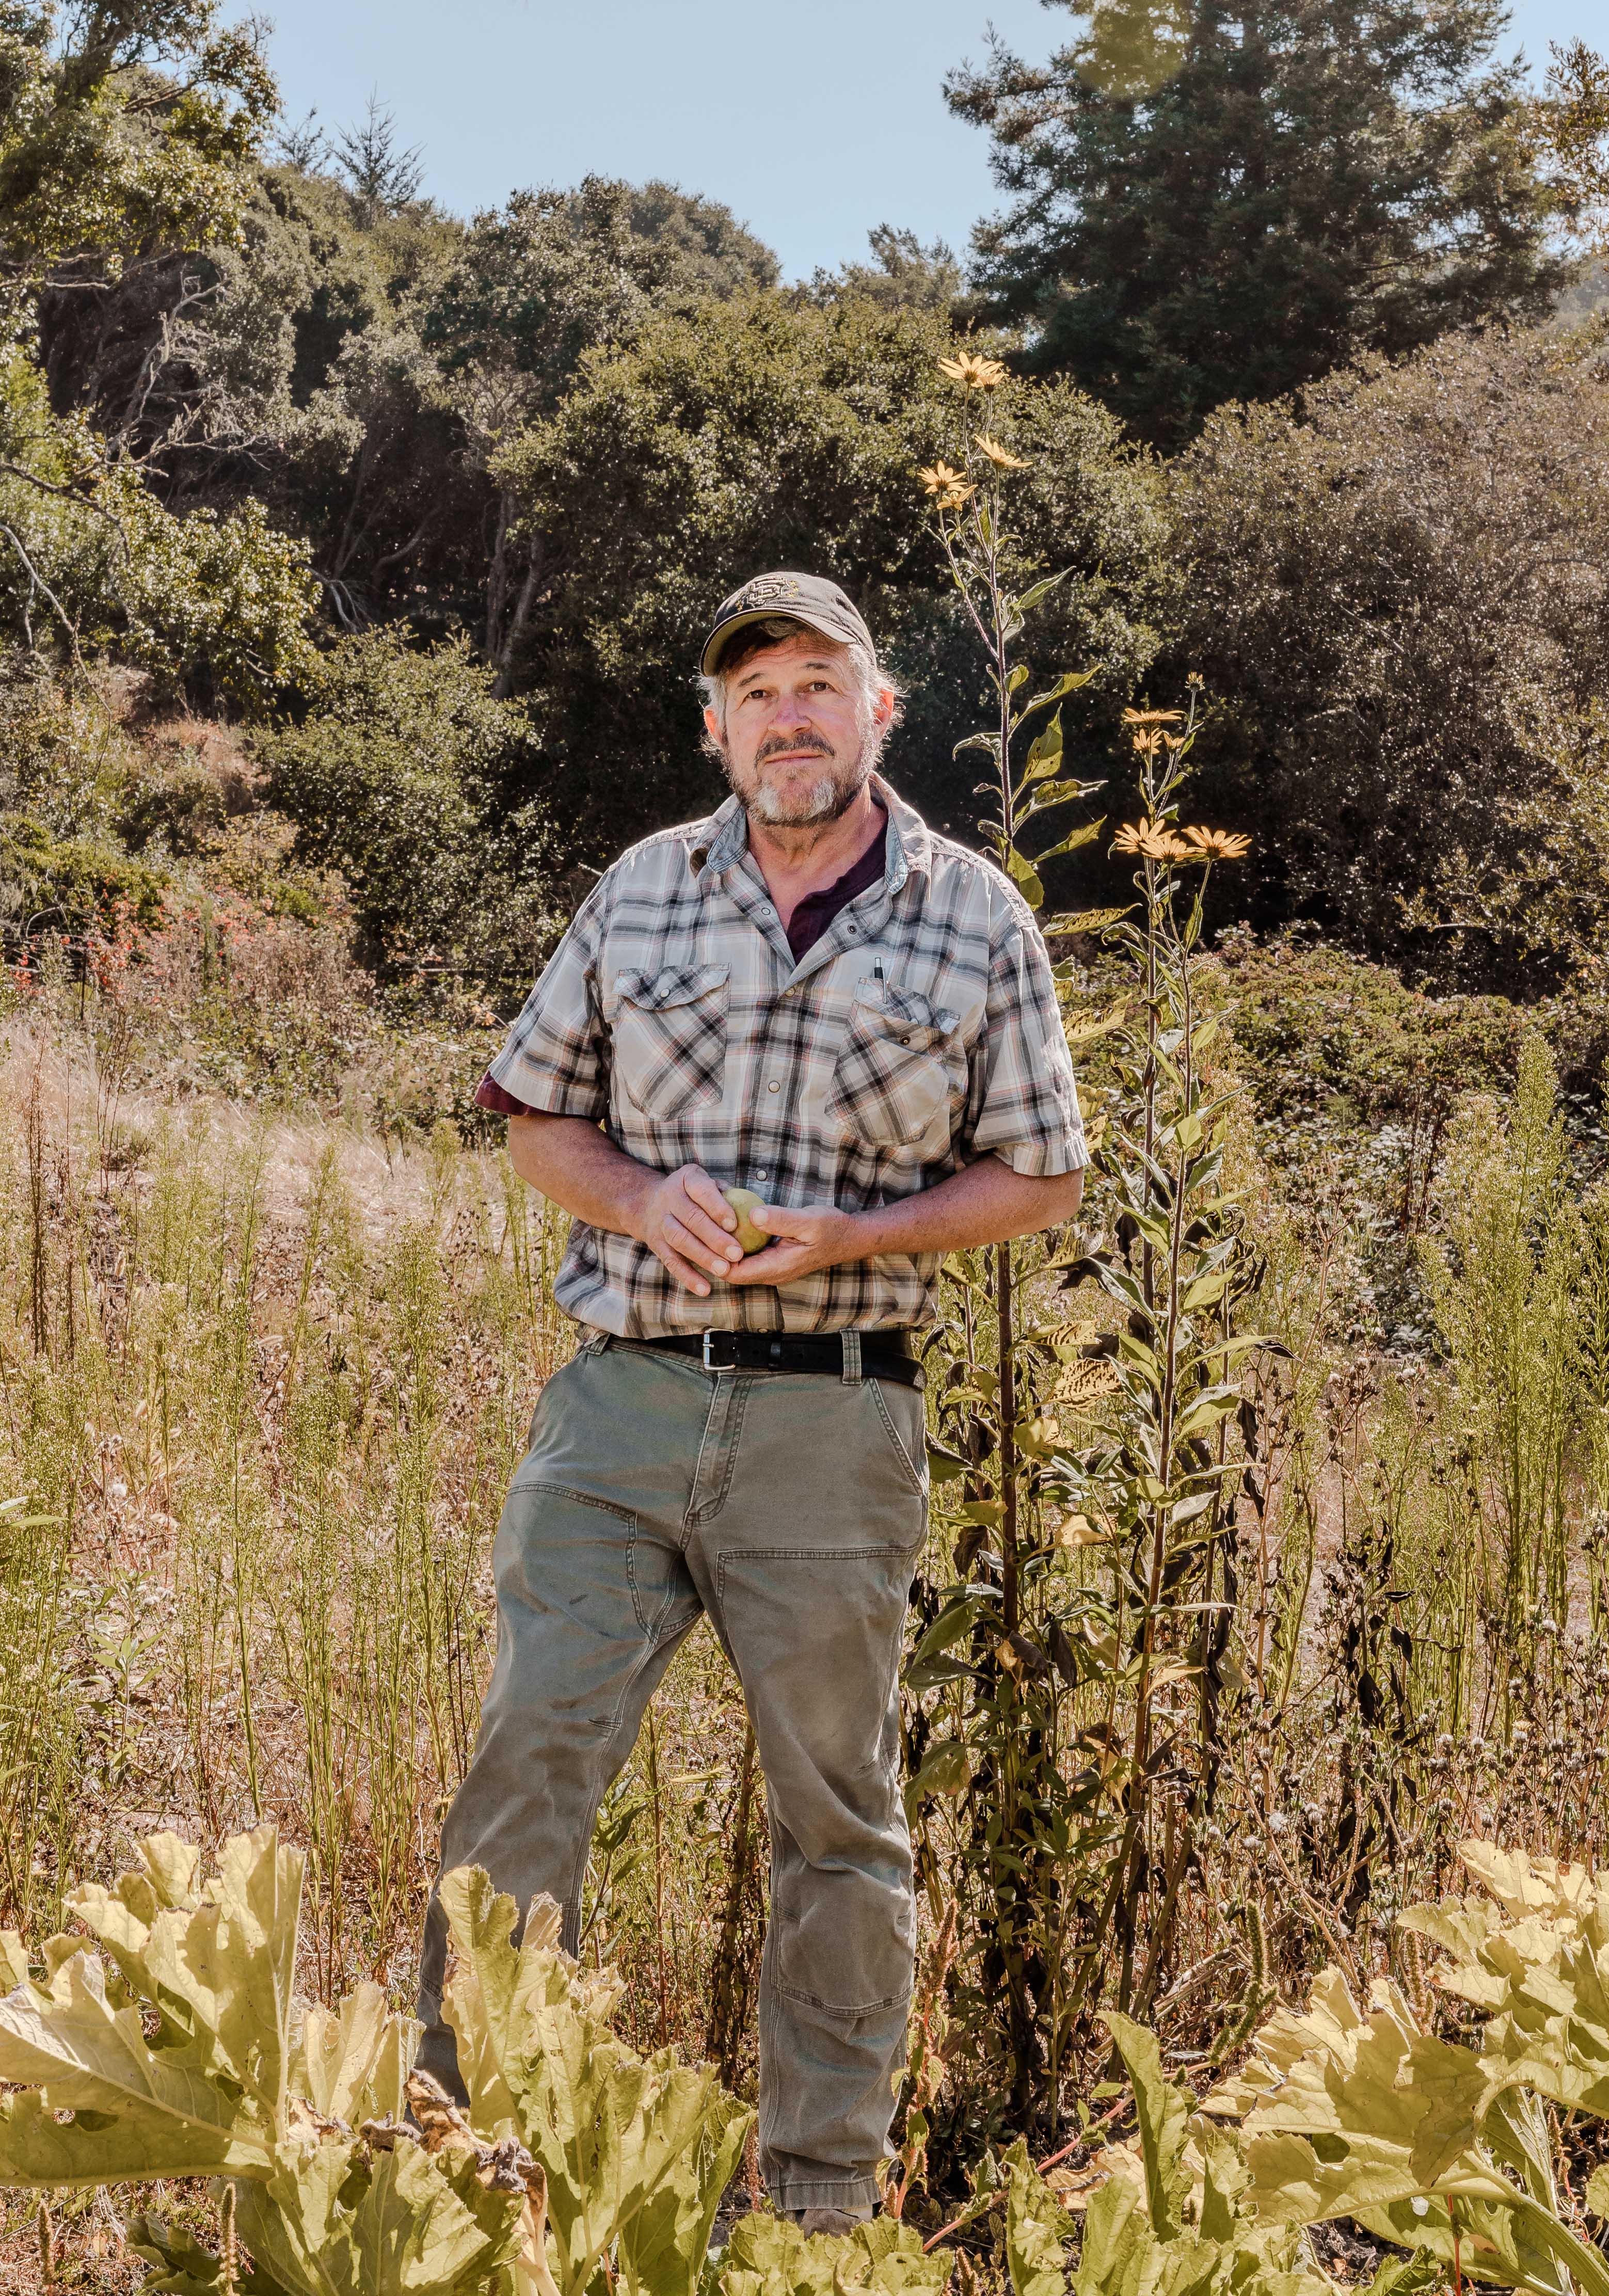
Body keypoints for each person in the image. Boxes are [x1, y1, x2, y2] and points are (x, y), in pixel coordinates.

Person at [416, 570, 1087, 2230]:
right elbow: (533, 1120)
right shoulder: (643, 890)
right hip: (619, 1410)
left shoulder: (975, 912)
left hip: (834, 1425)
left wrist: (863, 1235)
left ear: (880, 709)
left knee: (839, 1822)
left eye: (819, 681)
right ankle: (451, 2167)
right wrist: (640, 1201)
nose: (789, 716)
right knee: (526, 1770)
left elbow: (1043, 1176)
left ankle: (815, 2213)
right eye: (756, 692)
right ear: (716, 730)